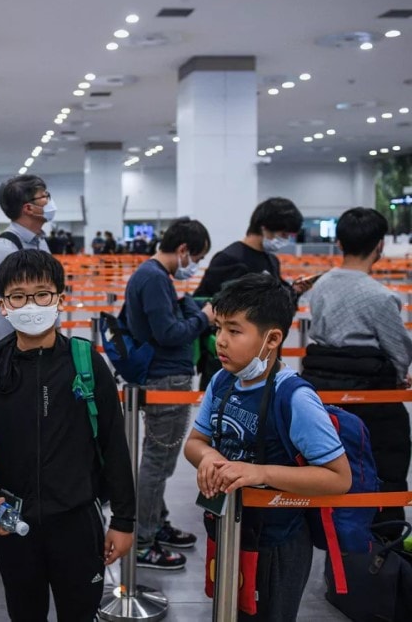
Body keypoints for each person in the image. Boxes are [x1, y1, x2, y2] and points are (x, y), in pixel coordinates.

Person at [0, 250, 136, 620]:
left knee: (80, 614)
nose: (31, 304)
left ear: (59, 298)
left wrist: (124, 520)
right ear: (4, 305)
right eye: (19, 296)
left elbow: (114, 443)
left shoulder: (85, 363)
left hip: (77, 522)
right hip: (13, 527)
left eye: (42, 294)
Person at [185, 273, 352, 621]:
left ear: (272, 338)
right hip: (228, 530)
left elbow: (338, 478)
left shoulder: (295, 398)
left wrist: (258, 473)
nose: (220, 341)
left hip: (278, 543)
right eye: (218, 328)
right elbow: (195, 443)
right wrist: (210, 458)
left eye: (234, 330)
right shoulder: (222, 381)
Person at [303, 207, 412, 535]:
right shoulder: (381, 297)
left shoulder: (321, 285)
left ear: (339, 243)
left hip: (322, 395)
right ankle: (383, 547)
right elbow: (400, 352)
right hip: (372, 402)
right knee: (383, 469)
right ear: (380, 246)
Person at [124, 217, 215, 569]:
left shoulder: (152, 276)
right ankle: (144, 540)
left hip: (164, 377)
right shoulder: (153, 278)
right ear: (182, 250)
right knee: (157, 463)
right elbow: (169, 333)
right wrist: (204, 319)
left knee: (157, 460)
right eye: (196, 258)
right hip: (166, 379)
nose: (194, 266)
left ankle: (155, 523)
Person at [0, 175, 53, 354]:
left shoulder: (40, 242)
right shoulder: (4, 250)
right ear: (28, 208)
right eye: (44, 196)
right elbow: (1, 313)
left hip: (40, 346)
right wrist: (12, 356)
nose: (49, 201)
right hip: (14, 354)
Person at [194, 197, 305, 299]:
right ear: (264, 228)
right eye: (283, 235)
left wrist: (295, 291)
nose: (285, 240)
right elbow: (206, 302)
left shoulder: (272, 261)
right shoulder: (229, 259)